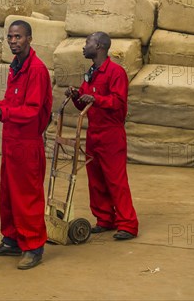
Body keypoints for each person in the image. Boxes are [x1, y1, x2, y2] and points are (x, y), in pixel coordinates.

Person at [0, 20, 52, 270]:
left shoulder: (36, 70)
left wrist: (2, 111)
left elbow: (31, 110)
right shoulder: (15, 67)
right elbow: (9, 101)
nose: (13, 41)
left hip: (27, 143)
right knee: (8, 194)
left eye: (18, 37)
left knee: (27, 196)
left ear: (29, 38)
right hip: (11, 140)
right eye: (10, 37)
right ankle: (12, 240)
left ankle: (33, 246)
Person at [65, 31, 139, 241]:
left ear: (99, 46)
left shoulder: (116, 72)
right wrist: (76, 96)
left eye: (87, 42)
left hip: (111, 134)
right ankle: (105, 218)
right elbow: (84, 103)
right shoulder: (91, 73)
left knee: (116, 180)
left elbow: (118, 102)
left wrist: (95, 98)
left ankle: (128, 224)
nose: (83, 46)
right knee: (95, 179)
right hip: (93, 133)